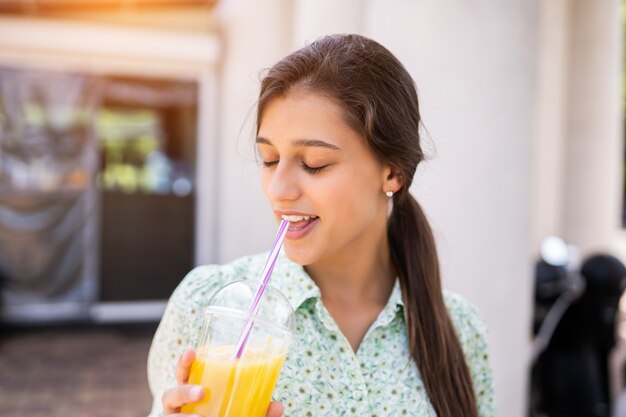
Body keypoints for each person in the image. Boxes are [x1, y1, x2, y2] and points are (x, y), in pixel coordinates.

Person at [147, 33, 496, 417]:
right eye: (268, 159)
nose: (278, 189)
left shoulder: (459, 328)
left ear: (393, 171)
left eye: (314, 163)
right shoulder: (205, 305)